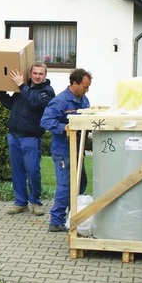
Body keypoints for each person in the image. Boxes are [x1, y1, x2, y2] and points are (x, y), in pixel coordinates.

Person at [0, 62, 55, 216]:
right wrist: (1, 89)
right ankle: (20, 203)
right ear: (31, 74)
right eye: (35, 73)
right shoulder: (23, 89)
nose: (37, 76)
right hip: (14, 135)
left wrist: (21, 85)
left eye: (40, 74)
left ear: (45, 75)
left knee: (33, 171)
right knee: (17, 171)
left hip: (31, 137)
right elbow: (10, 104)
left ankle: (36, 202)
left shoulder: (47, 92)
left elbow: (35, 102)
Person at [40, 68, 92, 232]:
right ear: (74, 83)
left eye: (88, 87)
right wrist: (65, 127)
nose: (86, 90)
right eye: (84, 87)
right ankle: (56, 221)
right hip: (63, 150)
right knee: (65, 186)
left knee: (81, 183)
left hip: (78, 149)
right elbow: (46, 121)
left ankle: (73, 216)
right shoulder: (60, 101)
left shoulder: (83, 100)